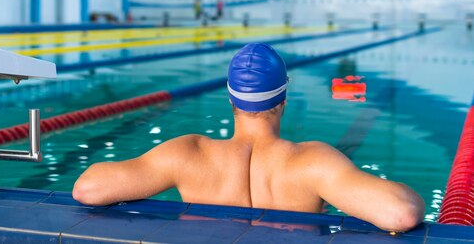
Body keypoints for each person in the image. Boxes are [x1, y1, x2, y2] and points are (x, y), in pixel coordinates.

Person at [73, 43, 425, 232]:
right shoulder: (312, 163)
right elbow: (401, 213)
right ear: (283, 100)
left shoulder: (187, 153)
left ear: (230, 99)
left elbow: (88, 189)